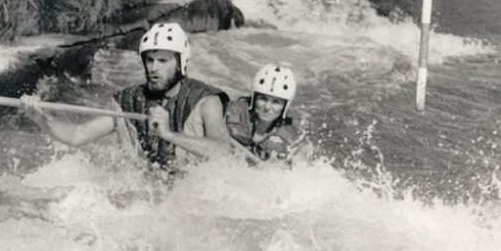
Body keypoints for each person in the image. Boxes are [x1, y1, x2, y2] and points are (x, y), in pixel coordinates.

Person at [20, 22, 232, 171]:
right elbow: (78, 135)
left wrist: (169, 135)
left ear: (181, 63)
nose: (154, 68)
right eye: (149, 60)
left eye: (163, 61)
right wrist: (41, 118)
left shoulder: (207, 101)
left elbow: (223, 152)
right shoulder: (126, 101)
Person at [225, 63, 305, 164]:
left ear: (284, 106)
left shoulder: (290, 136)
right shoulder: (234, 112)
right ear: (254, 98)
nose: (267, 107)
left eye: (275, 102)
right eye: (263, 99)